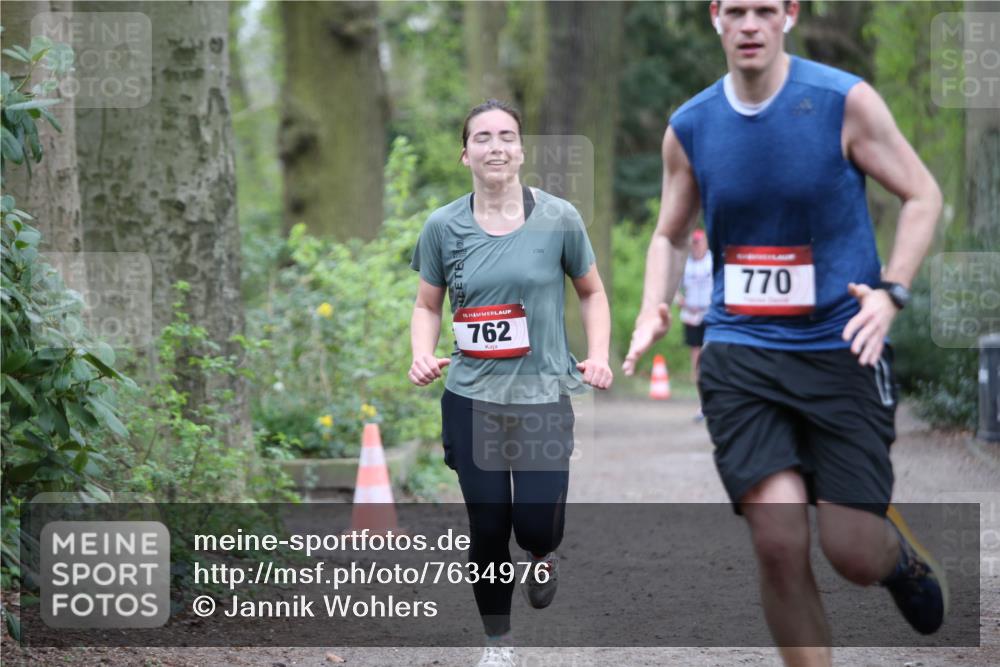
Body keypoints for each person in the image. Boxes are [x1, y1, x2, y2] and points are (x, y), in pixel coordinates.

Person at [622, 2, 947, 665]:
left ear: (789, 15)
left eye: (764, 10)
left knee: (852, 549)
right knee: (777, 537)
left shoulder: (841, 102)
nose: (750, 24)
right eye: (735, 10)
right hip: (742, 352)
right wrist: (654, 303)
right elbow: (669, 231)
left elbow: (923, 193)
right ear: (715, 17)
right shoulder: (691, 126)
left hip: (839, 346)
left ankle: (898, 560)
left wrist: (892, 292)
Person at [408, 99, 612, 667]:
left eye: (506, 136)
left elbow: (591, 292)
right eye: (482, 137)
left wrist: (596, 356)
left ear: (521, 150)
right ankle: (498, 644)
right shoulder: (442, 226)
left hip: (543, 395)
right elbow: (427, 305)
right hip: (473, 398)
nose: (495, 146)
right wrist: (421, 354)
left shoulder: (559, 218)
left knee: (535, 523)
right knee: (488, 526)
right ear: (465, 153)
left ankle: (542, 555)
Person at [677, 228, 713, 420]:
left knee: (713, 358)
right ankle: (702, 404)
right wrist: (679, 298)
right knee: (697, 361)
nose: (697, 247)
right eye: (694, 243)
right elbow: (675, 287)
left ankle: (716, 401)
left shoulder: (712, 261)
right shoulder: (686, 264)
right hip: (691, 316)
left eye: (699, 243)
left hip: (710, 315)